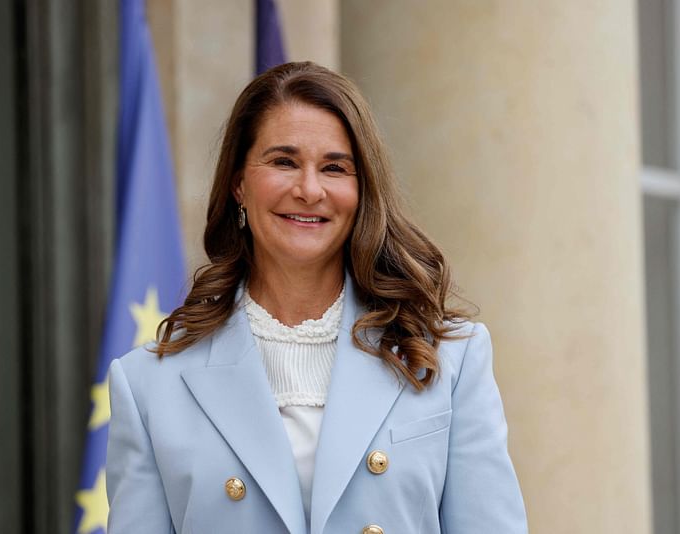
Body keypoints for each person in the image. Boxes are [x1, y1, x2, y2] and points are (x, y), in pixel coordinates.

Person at [106, 61, 528, 534]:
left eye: (334, 168)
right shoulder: (148, 384)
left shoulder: (449, 359)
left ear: (361, 190)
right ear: (238, 183)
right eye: (283, 162)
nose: (309, 190)